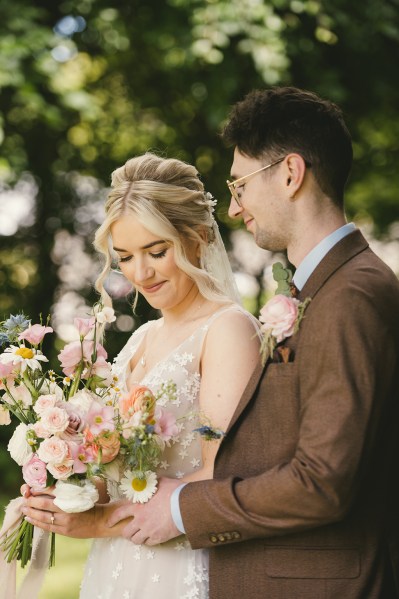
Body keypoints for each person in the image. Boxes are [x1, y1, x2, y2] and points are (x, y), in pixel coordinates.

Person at [105, 88, 399, 598]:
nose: (235, 208)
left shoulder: (352, 294)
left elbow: (322, 483)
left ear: (290, 174)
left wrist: (179, 507)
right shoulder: (318, 289)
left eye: (240, 185)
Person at [21, 152, 260, 598]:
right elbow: (119, 465)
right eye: (125, 256)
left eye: (157, 251)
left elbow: (221, 478)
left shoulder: (226, 330)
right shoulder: (143, 337)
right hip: (118, 566)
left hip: (182, 563)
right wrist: (70, 485)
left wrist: (101, 522)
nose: (140, 273)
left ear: (198, 239)